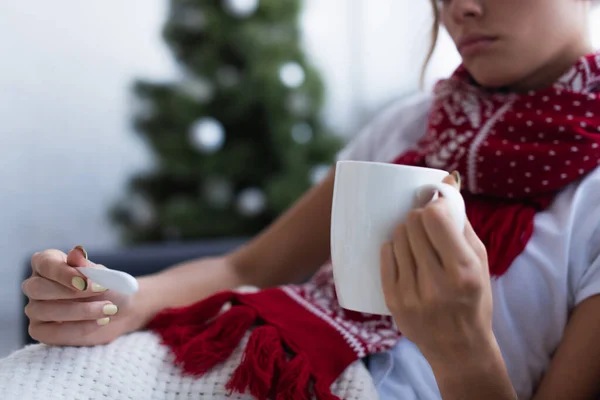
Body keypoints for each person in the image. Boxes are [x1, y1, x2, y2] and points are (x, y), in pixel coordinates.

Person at [6, 0, 600, 399]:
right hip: (253, 346)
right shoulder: (408, 126)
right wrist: (125, 303)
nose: (456, 8)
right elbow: (248, 266)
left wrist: (461, 349)